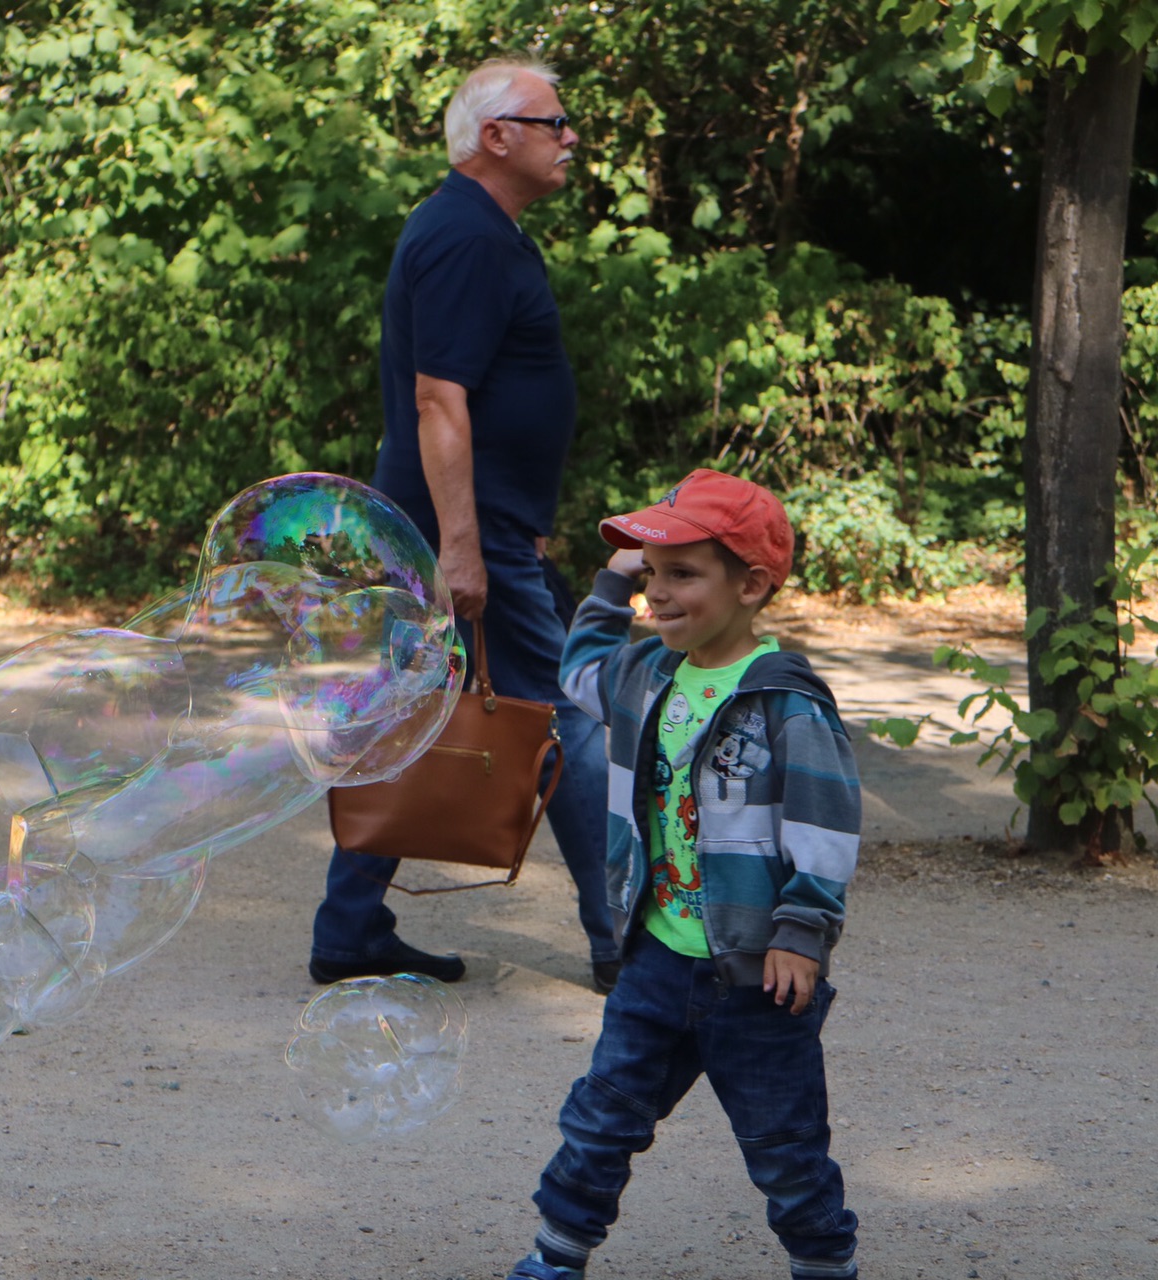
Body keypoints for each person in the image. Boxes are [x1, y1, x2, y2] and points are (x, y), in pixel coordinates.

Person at [309, 55, 619, 992]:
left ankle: (351, 925)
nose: (572, 138)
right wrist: (461, 548)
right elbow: (438, 401)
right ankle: (630, 943)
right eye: (555, 122)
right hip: (465, 529)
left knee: (411, 715)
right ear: (497, 136)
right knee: (568, 715)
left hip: (477, 523)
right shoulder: (467, 237)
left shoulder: (482, 231)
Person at [506, 468, 862, 1280]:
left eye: (683, 574)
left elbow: (826, 824)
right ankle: (555, 1258)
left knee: (785, 1150)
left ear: (752, 584)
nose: (658, 596)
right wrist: (609, 582)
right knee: (601, 1120)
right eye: (652, 575)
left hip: (757, 981)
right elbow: (578, 666)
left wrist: (802, 931)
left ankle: (825, 1262)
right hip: (656, 960)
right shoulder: (646, 675)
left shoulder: (785, 702)